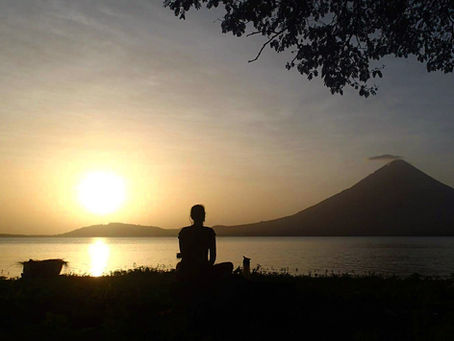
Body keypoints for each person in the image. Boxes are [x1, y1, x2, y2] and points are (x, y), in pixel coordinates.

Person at [176, 204, 233, 281]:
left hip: (188, 268)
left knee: (179, 266)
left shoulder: (184, 232)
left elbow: (183, 253)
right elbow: (213, 257)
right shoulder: (209, 232)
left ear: (192, 216)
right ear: (204, 216)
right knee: (229, 266)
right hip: (203, 269)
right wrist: (206, 267)